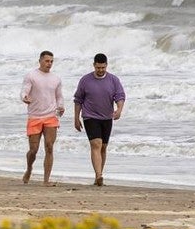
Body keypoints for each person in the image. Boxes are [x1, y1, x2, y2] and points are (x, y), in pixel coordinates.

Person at [73, 53, 126, 187]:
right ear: (94, 65)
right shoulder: (85, 80)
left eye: (103, 67)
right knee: (96, 144)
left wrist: (119, 110)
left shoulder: (113, 80)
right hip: (90, 116)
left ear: (106, 65)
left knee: (103, 147)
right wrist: (76, 118)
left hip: (107, 117)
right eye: (98, 68)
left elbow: (120, 96)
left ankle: (99, 175)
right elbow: (78, 100)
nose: (101, 70)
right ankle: (99, 175)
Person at [21, 50, 64, 185]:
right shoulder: (31, 75)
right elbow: (24, 90)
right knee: (33, 150)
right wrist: (25, 98)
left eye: (51, 61)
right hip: (35, 116)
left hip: (51, 115)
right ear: (40, 61)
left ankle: (46, 180)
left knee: (49, 146)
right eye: (46, 61)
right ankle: (29, 168)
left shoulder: (56, 78)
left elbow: (59, 96)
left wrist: (61, 106)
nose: (49, 64)